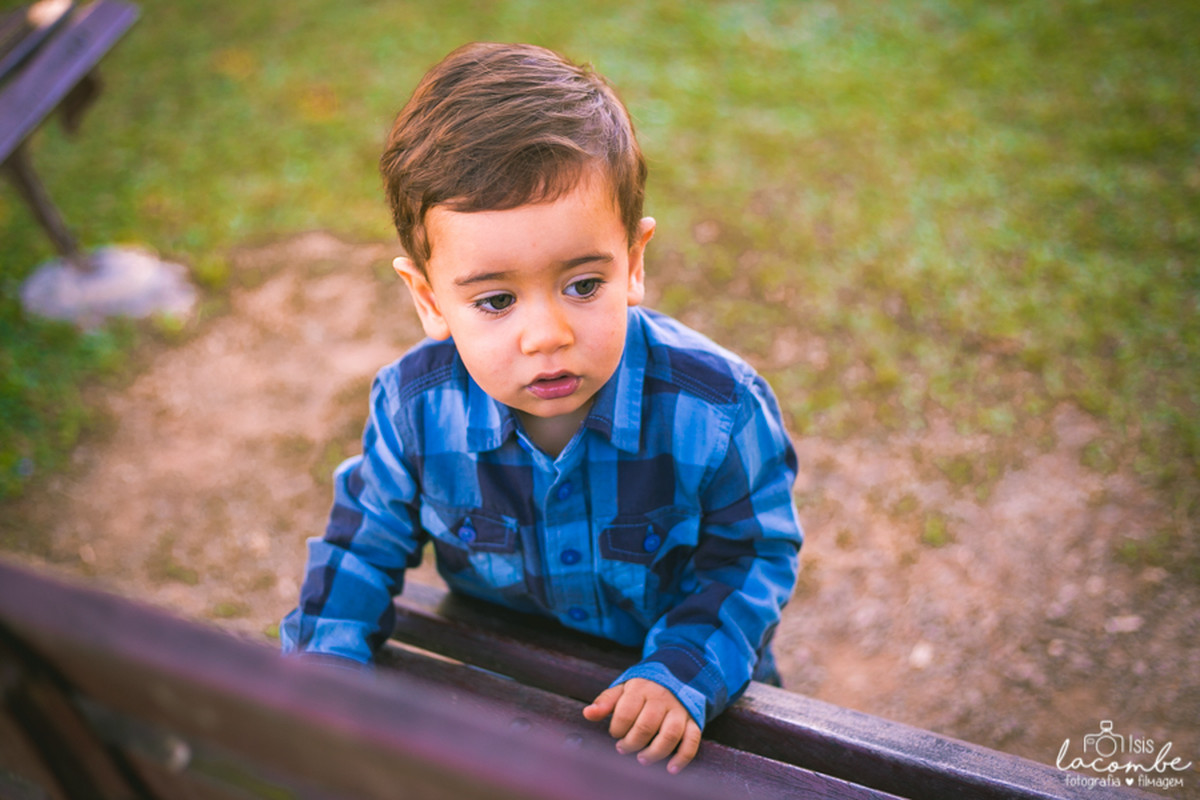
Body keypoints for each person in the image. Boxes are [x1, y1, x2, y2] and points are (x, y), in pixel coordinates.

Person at [280, 41, 803, 775]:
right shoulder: (413, 411)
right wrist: (324, 677)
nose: (547, 334)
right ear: (429, 299)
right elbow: (357, 551)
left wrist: (683, 672)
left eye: (583, 284)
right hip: (504, 703)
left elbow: (750, 555)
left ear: (635, 260)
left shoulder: (717, 410)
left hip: (676, 717)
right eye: (495, 300)